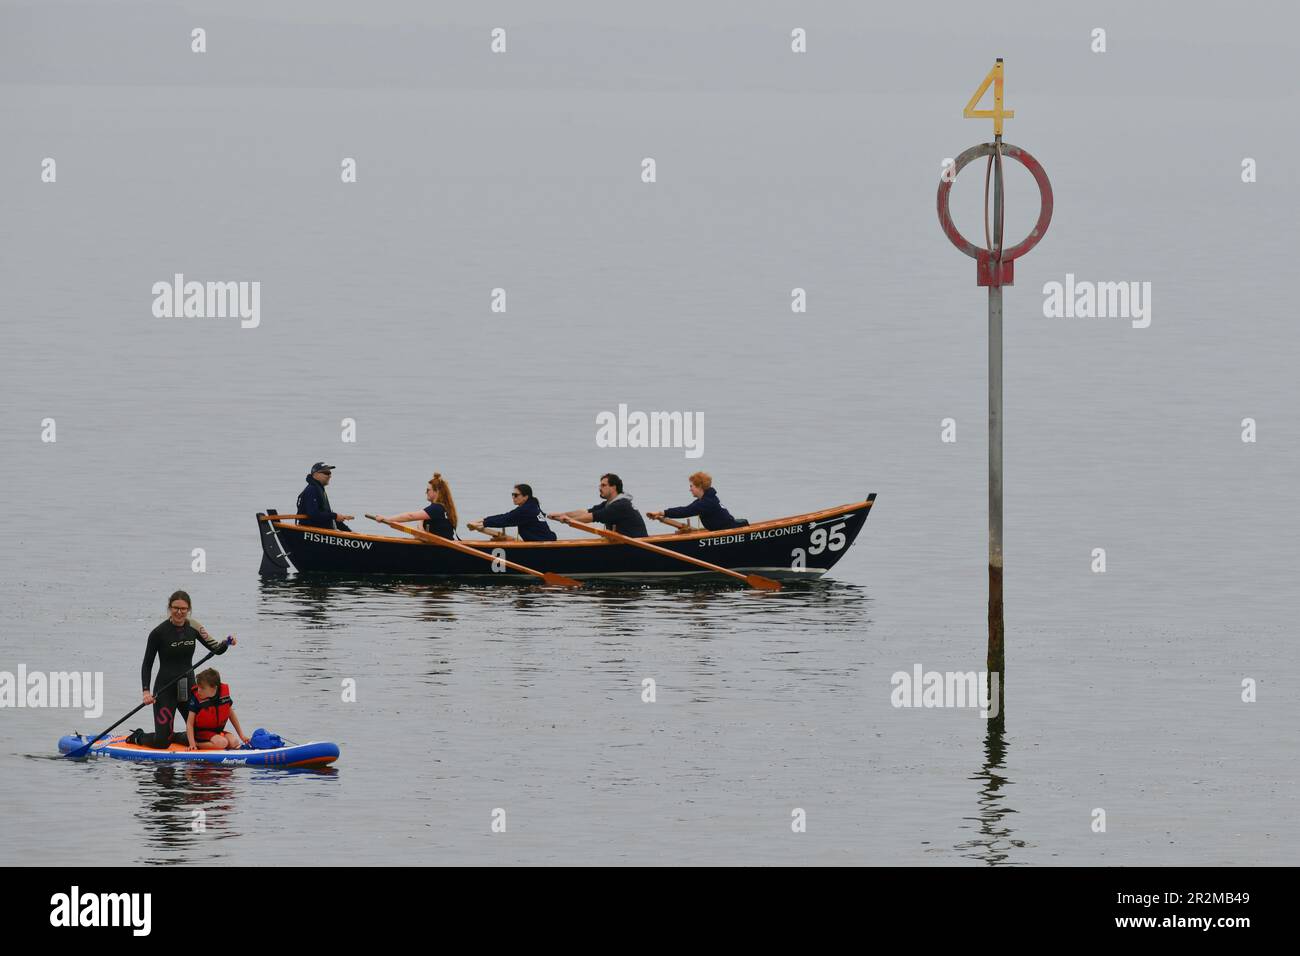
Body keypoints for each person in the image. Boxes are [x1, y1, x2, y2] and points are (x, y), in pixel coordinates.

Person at [132, 591, 236, 749]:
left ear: (189, 609)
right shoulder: (158, 633)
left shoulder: (194, 627)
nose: (179, 612)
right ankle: (138, 737)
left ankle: (173, 735)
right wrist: (146, 691)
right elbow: (147, 664)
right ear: (169, 608)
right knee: (162, 742)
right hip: (165, 688)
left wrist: (226, 643)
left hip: (188, 687)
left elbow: (216, 649)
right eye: (175, 608)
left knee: (199, 734)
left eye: (183, 609)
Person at [548, 473, 648, 538]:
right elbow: (586, 512)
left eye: (603, 485)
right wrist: (562, 515)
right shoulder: (609, 504)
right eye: (600, 485)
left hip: (636, 546)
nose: (599, 488)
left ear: (613, 487)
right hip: (623, 544)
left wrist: (568, 521)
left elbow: (591, 517)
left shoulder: (620, 505)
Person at [648, 472, 748, 531]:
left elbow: (686, 511)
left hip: (730, 531)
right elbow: (686, 509)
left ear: (699, 487)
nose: (690, 489)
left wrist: (662, 512)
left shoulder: (707, 502)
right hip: (723, 529)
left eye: (691, 486)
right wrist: (661, 516)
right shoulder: (704, 500)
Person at [375, 472, 458, 539]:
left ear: (437, 492)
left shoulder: (436, 508)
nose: (426, 493)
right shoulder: (446, 508)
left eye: (428, 490)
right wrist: (421, 524)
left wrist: (386, 519)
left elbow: (410, 516)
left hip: (440, 548)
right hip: (440, 545)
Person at [185, 668, 248, 751]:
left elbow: (232, 715)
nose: (199, 691)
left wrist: (242, 735)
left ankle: (218, 742)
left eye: (202, 688)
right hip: (201, 734)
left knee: (234, 742)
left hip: (217, 732)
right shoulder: (196, 699)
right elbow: (189, 723)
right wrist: (192, 744)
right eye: (198, 687)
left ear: (214, 688)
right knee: (222, 743)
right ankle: (198, 744)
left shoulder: (223, 695)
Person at [468, 484, 557, 542]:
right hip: (546, 540)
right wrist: (483, 520)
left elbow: (506, 519)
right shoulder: (532, 506)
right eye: (512, 495)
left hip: (545, 544)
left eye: (516, 495)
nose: (513, 497)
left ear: (525, 497)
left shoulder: (526, 510)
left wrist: (483, 523)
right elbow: (506, 516)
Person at [297, 462, 354, 531]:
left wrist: (350, 532)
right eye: (326, 473)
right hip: (312, 531)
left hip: (324, 530)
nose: (329, 476)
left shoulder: (319, 489)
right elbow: (314, 514)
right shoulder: (312, 489)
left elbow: (326, 515)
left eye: (330, 473)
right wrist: (335, 516)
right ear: (315, 474)